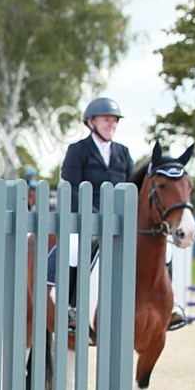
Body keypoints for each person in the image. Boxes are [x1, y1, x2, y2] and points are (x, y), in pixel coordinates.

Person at [57, 97, 135, 334]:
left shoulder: (123, 152)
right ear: (91, 122)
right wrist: (94, 216)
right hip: (85, 217)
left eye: (114, 121)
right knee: (74, 249)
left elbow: (131, 187)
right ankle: (71, 306)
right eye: (106, 120)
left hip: (118, 219)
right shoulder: (78, 150)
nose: (111, 124)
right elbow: (71, 186)